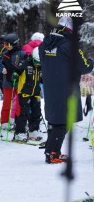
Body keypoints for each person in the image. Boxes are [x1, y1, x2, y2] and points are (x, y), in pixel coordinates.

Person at [39, 16, 94, 164]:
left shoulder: (44, 44)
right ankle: (52, 153)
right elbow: (84, 67)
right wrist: (91, 61)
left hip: (50, 88)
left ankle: (51, 151)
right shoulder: (70, 45)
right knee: (63, 122)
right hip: (66, 88)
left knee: (54, 120)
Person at [13, 47, 43, 142]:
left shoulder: (42, 66)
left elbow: (43, 78)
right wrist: (15, 75)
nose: (38, 64)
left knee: (36, 112)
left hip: (36, 93)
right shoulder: (25, 63)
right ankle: (20, 133)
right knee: (23, 113)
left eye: (39, 62)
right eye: (36, 62)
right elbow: (16, 71)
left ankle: (33, 131)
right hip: (24, 92)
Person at [0, 33, 26, 130]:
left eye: (8, 44)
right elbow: (0, 64)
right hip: (7, 81)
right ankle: (4, 121)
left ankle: (16, 120)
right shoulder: (5, 54)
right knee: (6, 102)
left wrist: (18, 73)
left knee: (18, 103)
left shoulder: (22, 54)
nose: (6, 46)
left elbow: (24, 66)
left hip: (18, 82)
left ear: (14, 44)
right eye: (5, 44)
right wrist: (2, 68)